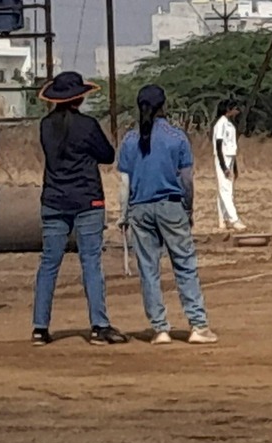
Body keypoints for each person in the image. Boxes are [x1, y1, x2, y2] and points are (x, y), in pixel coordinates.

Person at [116, 85, 218, 346]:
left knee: (148, 269)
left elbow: (124, 183)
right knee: (184, 264)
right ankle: (198, 325)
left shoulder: (129, 140)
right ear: (164, 105)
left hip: (139, 209)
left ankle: (160, 328)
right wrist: (188, 209)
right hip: (171, 206)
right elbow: (186, 179)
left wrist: (123, 214)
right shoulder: (177, 137)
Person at [33, 70, 126, 346]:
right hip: (87, 199)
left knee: (49, 263)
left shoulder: (46, 125)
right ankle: (99, 326)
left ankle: (40, 328)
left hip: (54, 199)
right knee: (91, 262)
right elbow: (107, 155)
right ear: (79, 97)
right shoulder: (87, 125)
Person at [212, 98, 246, 234]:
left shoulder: (230, 124)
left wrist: (234, 167)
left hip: (230, 157)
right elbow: (218, 146)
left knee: (226, 189)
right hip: (223, 158)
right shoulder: (220, 124)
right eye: (235, 108)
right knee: (225, 190)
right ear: (228, 109)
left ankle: (222, 220)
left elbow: (233, 146)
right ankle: (234, 219)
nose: (237, 111)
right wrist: (223, 167)